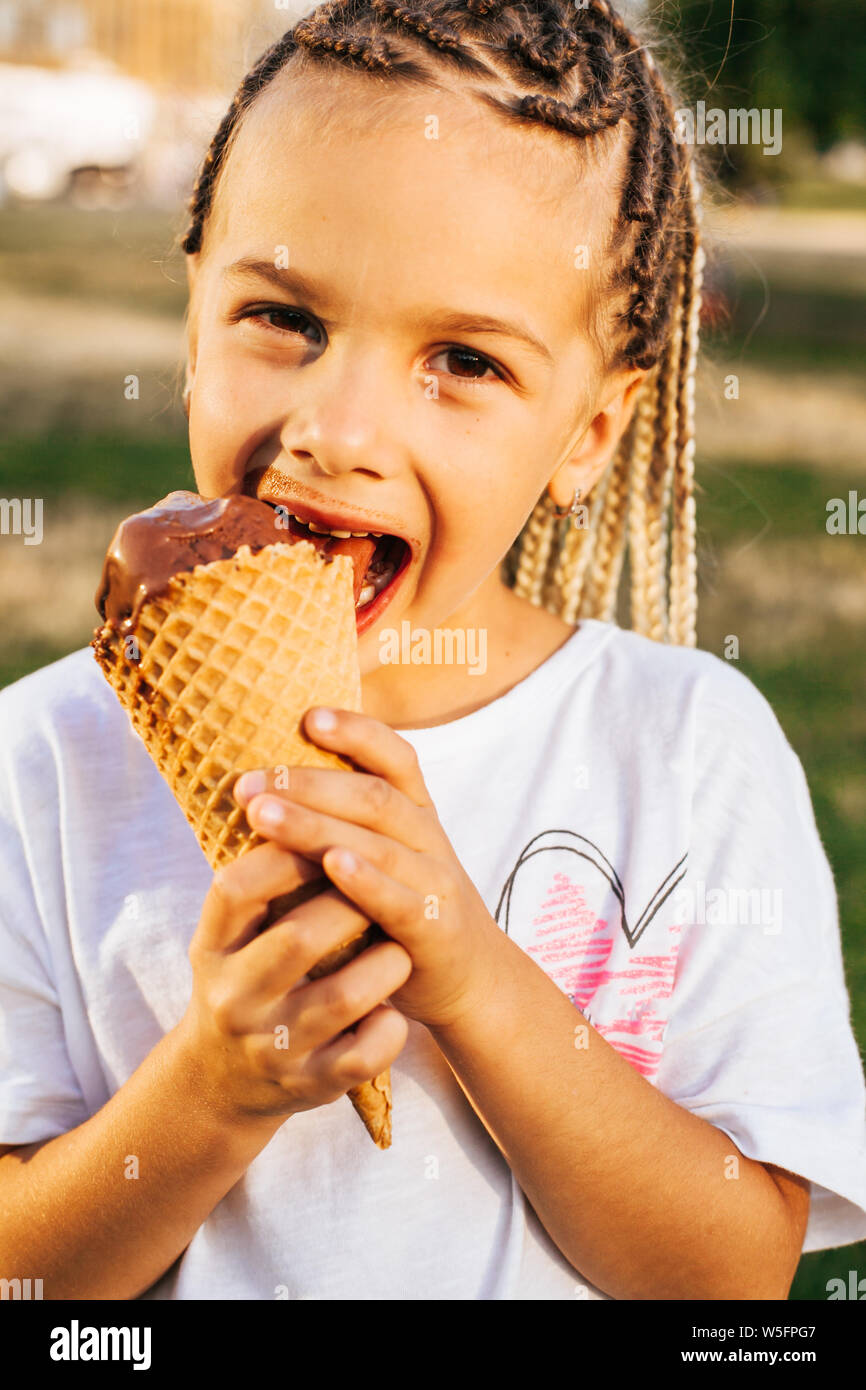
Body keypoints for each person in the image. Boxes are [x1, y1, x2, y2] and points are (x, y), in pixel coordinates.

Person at [1, 0, 864, 1301]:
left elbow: (730, 1275)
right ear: (194, 319)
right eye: (283, 317)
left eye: (461, 359)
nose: (338, 427)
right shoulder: (42, 761)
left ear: (587, 432)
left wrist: (475, 977)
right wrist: (211, 1094)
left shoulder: (692, 750)